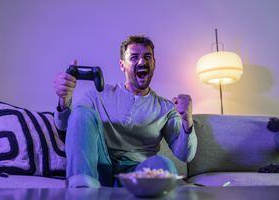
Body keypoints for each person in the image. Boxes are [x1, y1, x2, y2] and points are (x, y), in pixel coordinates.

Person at [53, 35, 197, 188]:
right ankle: (81, 189)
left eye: (147, 57)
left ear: (154, 63)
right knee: (83, 112)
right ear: (122, 65)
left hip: (137, 175)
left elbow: (185, 155)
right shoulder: (96, 94)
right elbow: (66, 129)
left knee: (164, 164)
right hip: (97, 170)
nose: (142, 61)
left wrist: (187, 121)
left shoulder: (166, 108)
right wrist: (64, 99)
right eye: (134, 57)